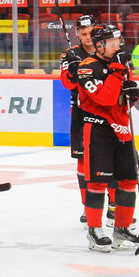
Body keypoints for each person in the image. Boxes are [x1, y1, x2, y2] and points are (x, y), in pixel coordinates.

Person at [75, 23, 139, 252]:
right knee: (97, 182)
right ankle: (95, 230)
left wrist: (134, 94)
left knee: (128, 181)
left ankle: (122, 228)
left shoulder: (121, 64)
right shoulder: (87, 67)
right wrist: (117, 71)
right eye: (112, 44)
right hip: (98, 131)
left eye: (119, 43)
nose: (117, 48)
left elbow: (121, 100)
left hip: (122, 130)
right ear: (99, 45)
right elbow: (104, 98)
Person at [59, 15, 97, 220]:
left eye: (90, 32)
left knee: (107, 159)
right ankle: (87, 205)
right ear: (77, 34)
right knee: (83, 160)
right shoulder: (70, 55)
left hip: (105, 111)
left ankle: (113, 205)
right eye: (83, 33)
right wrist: (73, 72)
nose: (87, 36)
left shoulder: (106, 52)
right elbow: (67, 84)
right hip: (81, 112)